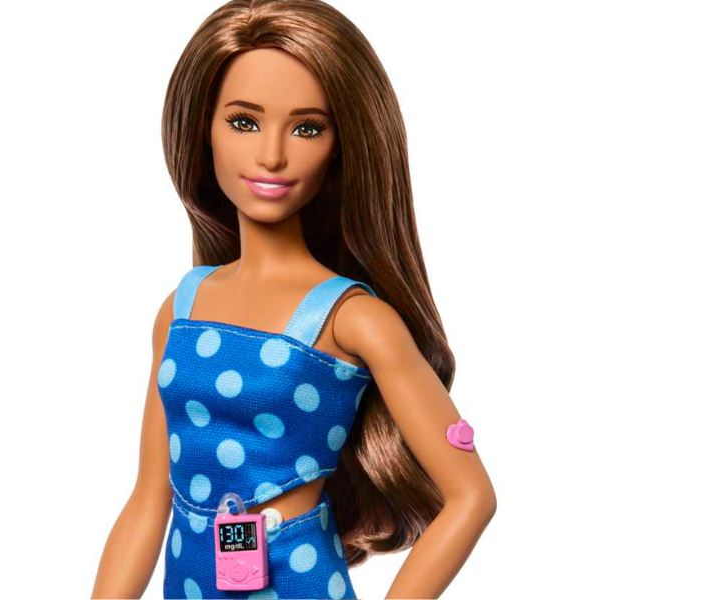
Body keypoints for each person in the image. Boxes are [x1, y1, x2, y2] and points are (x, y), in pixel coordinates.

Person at [93, 1, 496, 598]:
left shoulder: (354, 320)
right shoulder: (182, 308)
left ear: (342, 146)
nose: (272, 155)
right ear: (203, 128)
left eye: (307, 128)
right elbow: (148, 501)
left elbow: (471, 496)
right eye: (244, 122)